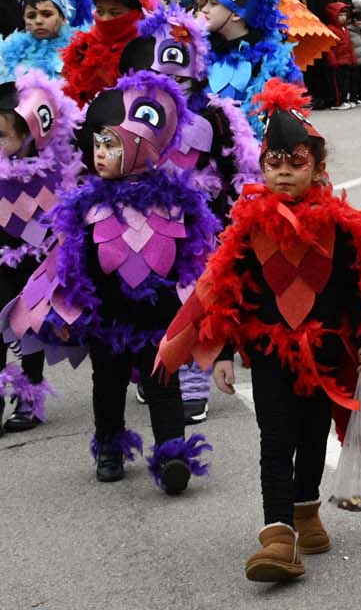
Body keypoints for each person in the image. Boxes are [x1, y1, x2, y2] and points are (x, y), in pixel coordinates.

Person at [156, 80, 361, 583]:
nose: (283, 171)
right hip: (267, 351)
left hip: (325, 349)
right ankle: (278, 532)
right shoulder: (247, 227)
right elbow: (227, 293)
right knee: (275, 438)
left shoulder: (339, 227)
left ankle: (305, 510)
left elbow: (359, 286)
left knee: (311, 434)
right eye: (273, 161)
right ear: (261, 166)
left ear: (317, 168)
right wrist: (221, 354)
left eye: (295, 161)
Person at [3, 70, 217, 492]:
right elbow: (68, 262)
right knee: (109, 384)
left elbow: (197, 256)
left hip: (160, 318)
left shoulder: (176, 202)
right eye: (97, 144)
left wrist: (203, 304)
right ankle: (109, 446)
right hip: (107, 316)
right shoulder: (86, 203)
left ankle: (173, 452)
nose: (99, 154)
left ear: (141, 149)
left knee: (163, 384)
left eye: (111, 145)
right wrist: (63, 307)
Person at [118, 5, 260, 424]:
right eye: (163, 77)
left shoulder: (216, 115)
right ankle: (156, 364)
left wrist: (235, 216)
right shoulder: (132, 111)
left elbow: (239, 167)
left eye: (180, 78)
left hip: (202, 224)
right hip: (145, 220)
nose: (172, 87)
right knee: (147, 294)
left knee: (198, 296)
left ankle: (196, 379)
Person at [0, 71, 83, 433]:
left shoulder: (55, 172)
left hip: (36, 261)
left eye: (2, 136)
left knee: (28, 328)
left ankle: (30, 397)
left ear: (31, 135)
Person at [199, 0, 302, 132]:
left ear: (237, 14)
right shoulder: (201, 52)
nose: (205, 10)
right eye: (205, 3)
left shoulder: (269, 62)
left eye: (213, 4)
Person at [61, 0, 161, 103]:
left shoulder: (154, 53)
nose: (105, 19)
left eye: (115, 13)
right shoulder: (81, 50)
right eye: (100, 11)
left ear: (136, 14)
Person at [0, 0, 93, 79]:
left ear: (63, 17)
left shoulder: (83, 51)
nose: (38, 21)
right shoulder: (9, 52)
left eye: (47, 14)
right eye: (31, 16)